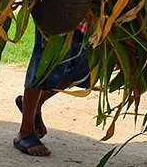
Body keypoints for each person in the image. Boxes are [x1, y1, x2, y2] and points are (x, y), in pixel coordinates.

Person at [14, 24, 91, 157]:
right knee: (44, 64)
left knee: (82, 70)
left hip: (90, 20)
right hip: (59, 11)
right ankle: (25, 131)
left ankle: (32, 104)